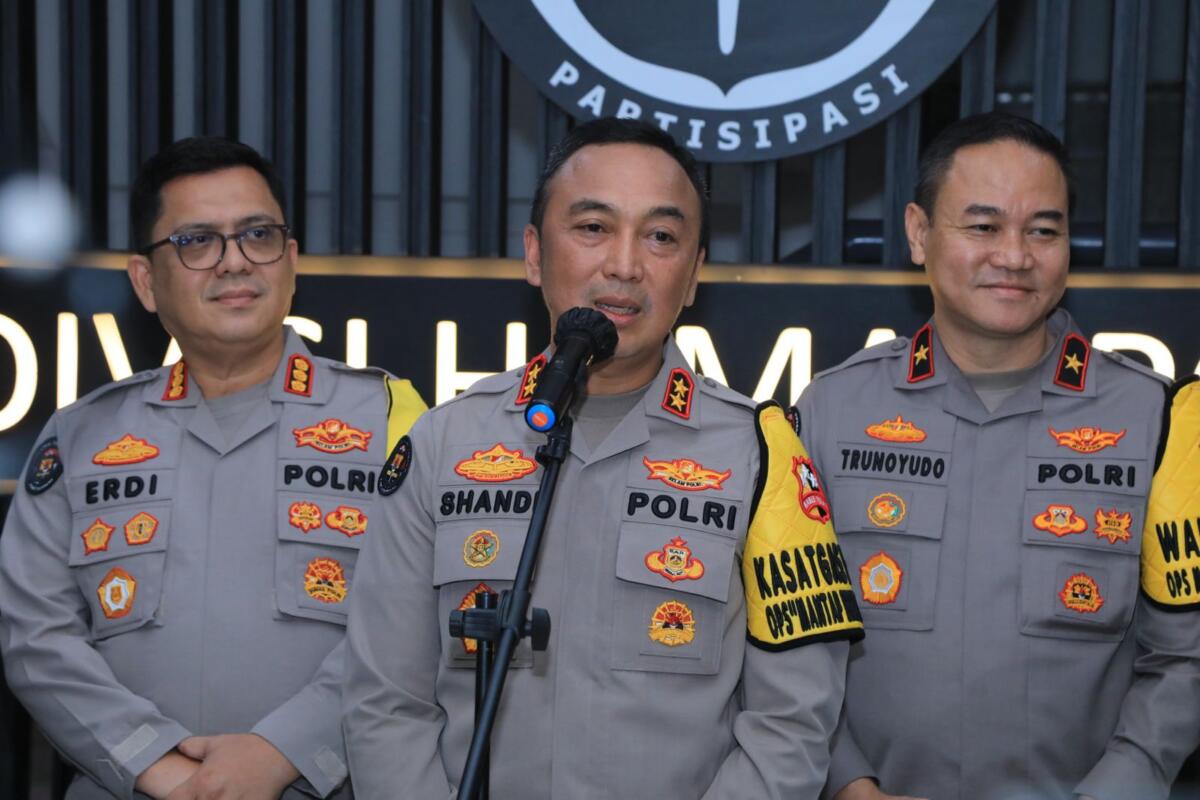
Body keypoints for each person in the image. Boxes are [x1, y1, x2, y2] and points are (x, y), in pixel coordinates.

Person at [343, 117, 864, 798]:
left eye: (661, 237)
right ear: (535, 254)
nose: (624, 264)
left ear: (694, 274)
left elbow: (792, 722)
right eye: (593, 227)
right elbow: (385, 700)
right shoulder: (444, 442)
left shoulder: (759, 454)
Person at [0, 137, 426, 799]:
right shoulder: (82, 436)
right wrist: (160, 768)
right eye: (197, 241)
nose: (234, 261)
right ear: (146, 281)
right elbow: (36, 637)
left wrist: (280, 753)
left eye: (257, 234)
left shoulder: (393, 416)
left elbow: (416, 618)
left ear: (290, 260)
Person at [798, 111, 1200, 800]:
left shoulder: (1154, 421)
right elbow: (788, 635)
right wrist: (847, 782)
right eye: (983, 227)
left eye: (1043, 230)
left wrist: (1118, 788)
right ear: (919, 233)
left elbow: (1186, 652)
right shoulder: (830, 412)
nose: (1014, 256)